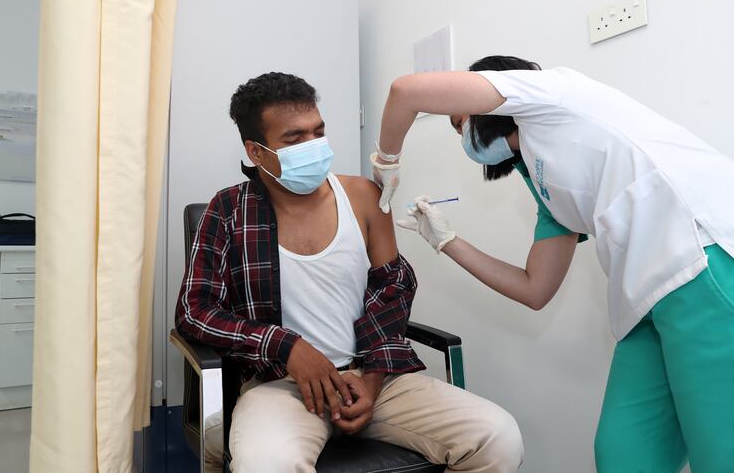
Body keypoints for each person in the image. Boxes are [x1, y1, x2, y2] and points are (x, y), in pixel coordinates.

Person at [372, 55, 734, 473]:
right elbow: (535, 289)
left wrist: (386, 160)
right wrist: (447, 241)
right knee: (624, 456)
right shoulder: (545, 186)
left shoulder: (551, 94)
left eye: (461, 122)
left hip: (701, 259)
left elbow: (406, 92)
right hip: (645, 302)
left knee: (720, 453)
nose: (464, 137)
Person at [175, 72, 524, 473]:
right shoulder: (228, 210)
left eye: (318, 132)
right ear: (256, 152)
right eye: (294, 139)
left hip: (374, 377)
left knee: (497, 438)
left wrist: (373, 379)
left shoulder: (363, 196)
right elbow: (195, 312)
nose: (313, 146)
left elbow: (392, 291)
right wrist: (288, 347)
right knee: (265, 465)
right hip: (282, 386)